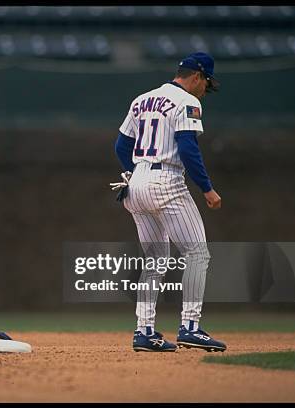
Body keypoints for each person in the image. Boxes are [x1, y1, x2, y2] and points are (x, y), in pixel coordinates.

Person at [111, 52, 226, 352]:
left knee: (155, 261)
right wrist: (207, 188)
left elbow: (121, 145)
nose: (205, 90)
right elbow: (188, 148)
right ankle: (190, 326)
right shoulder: (188, 101)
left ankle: (144, 332)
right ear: (197, 76)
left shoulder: (142, 99)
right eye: (206, 83)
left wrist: (135, 174)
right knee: (197, 253)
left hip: (135, 185)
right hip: (167, 181)